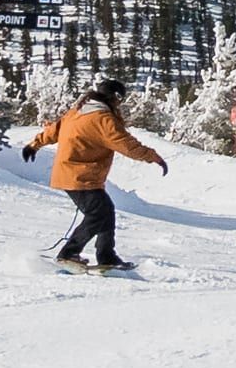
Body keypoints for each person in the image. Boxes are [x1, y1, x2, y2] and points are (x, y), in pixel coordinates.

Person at [21, 78, 167, 271]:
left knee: (106, 210)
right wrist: (153, 157)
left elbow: (53, 130)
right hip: (80, 174)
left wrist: (34, 144)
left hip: (73, 173)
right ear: (115, 98)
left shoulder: (77, 112)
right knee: (97, 214)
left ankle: (107, 256)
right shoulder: (103, 119)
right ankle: (68, 253)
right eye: (120, 100)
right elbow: (125, 144)